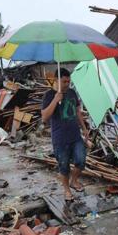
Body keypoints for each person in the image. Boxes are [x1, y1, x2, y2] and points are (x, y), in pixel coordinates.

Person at [41, 68, 89, 201]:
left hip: (75, 135)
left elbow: (78, 111)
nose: (67, 84)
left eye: (69, 81)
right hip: (60, 139)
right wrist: (55, 100)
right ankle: (67, 190)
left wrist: (84, 128)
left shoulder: (72, 93)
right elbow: (44, 118)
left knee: (81, 160)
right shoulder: (49, 95)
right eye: (64, 81)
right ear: (56, 80)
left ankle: (74, 180)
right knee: (64, 166)